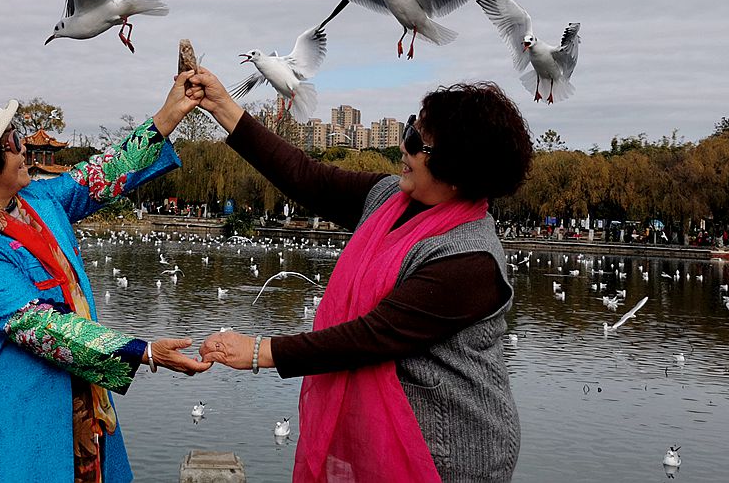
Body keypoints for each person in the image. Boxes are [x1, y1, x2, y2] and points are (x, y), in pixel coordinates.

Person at [190, 68, 532, 482]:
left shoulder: (469, 260)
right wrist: (221, 105)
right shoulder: (391, 197)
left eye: (414, 141)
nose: (401, 147)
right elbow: (307, 177)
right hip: (381, 436)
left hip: (448, 451)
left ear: (455, 171)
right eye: (409, 128)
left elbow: (372, 337)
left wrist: (260, 351)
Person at [0, 72, 210, 483]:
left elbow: (101, 174)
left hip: (78, 406)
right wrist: (144, 353)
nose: (23, 148)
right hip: (15, 423)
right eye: (12, 142)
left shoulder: (35, 200)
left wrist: (171, 113)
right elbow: (43, 326)